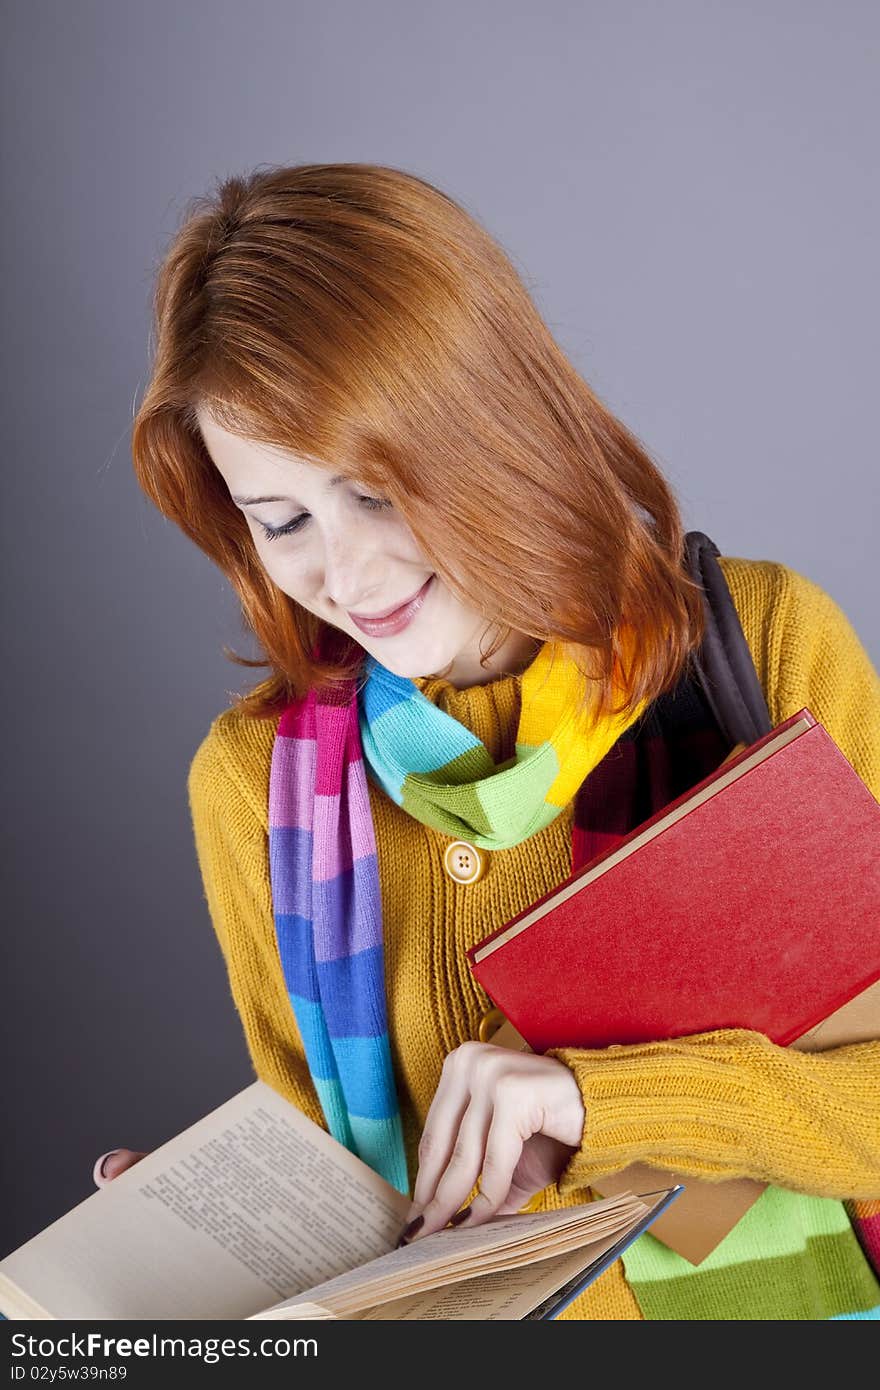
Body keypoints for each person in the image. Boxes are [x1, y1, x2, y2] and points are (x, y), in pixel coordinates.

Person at [94, 162, 880, 1320]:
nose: (346, 574)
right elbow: (345, 1215)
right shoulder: (255, 784)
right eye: (282, 520)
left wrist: (594, 1101)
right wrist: (209, 1243)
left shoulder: (762, 648)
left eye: (374, 492)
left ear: (489, 422)